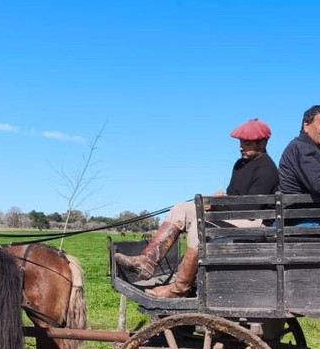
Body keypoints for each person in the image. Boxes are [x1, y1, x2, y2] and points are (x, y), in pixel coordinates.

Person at [114, 118, 279, 298]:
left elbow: (252, 207)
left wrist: (218, 205)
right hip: (236, 216)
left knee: (199, 227)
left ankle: (180, 288)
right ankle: (147, 261)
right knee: (181, 209)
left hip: (256, 224)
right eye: (240, 142)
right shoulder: (240, 165)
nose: (240, 147)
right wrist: (221, 199)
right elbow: (235, 196)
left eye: (246, 143)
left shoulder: (267, 169)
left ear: (263, 143)